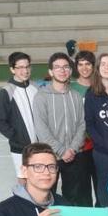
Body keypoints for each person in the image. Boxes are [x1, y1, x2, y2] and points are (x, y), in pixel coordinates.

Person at [33, 52, 91, 206]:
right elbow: (41, 128)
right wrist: (60, 150)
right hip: (50, 157)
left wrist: (72, 149)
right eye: (57, 67)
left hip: (73, 156)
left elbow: (81, 124)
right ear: (51, 72)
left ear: (71, 71)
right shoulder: (41, 97)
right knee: (46, 197)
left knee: (72, 198)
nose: (62, 70)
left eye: (66, 67)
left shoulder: (76, 96)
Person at [0, 51, 38, 186]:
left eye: (27, 67)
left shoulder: (36, 87)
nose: (25, 71)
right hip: (20, 148)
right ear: (12, 69)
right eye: (20, 67)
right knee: (24, 180)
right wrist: (16, 138)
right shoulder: (7, 91)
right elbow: (1, 121)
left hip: (39, 146)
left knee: (40, 179)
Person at [84, 53, 108, 207]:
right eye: (103, 64)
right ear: (98, 69)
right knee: (104, 185)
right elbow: (90, 124)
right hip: (102, 152)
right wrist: (104, 145)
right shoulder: (91, 93)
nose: (107, 67)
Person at [71, 50, 99, 206]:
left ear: (93, 66)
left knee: (101, 187)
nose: (84, 68)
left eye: (87, 64)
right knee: (82, 191)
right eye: (80, 64)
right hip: (80, 147)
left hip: (99, 146)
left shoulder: (100, 87)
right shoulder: (71, 88)